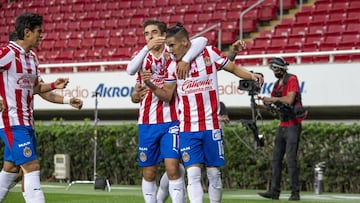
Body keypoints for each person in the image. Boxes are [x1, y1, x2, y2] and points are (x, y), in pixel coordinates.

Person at [142, 23, 263, 203]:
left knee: (214, 173)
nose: (170, 49)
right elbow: (167, 95)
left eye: (172, 45)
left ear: (184, 42)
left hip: (211, 124)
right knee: (193, 174)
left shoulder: (209, 53)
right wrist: (150, 84)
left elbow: (233, 68)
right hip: (188, 127)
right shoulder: (172, 65)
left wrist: (251, 76)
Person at [127, 19, 208, 203]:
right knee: (149, 171)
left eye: (154, 32)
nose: (150, 37)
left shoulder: (173, 53)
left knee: (173, 167)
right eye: (146, 34)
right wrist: (135, 95)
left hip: (172, 120)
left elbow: (202, 40)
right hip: (147, 121)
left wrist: (186, 59)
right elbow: (131, 74)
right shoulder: (142, 57)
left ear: (163, 35)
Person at [0, 13, 70, 203]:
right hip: (11, 121)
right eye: (39, 32)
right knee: (31, 165)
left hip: (27, 123)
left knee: (11, 169)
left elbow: (37, 89)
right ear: (27, 32)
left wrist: (57, 88)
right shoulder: (8, 53)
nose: (42, 35)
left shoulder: (32, 58)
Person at [258, 57, 304, 201]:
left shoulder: (292, 79)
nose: (274, 72)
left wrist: (270, 100)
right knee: (276, 160)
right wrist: (259, 105)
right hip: (283, 125)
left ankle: (295, 193)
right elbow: (272, 106)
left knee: (291, 160)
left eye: (276, 69)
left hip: (293, 125)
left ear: (282, 69)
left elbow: (289, 100)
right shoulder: (277, 84)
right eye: (273, 69)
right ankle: (274, 192)